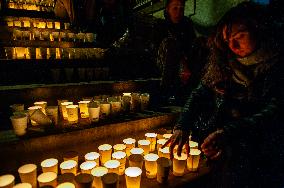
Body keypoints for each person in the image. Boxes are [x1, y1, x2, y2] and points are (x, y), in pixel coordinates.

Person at [162, 2, 284, 187]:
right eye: (227, 40)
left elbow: (274, 113)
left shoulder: (277, 68)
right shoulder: (222, 64)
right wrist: (182, 125)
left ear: (259, 30)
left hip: (261, 158)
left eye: (240, 36)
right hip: (224, 150)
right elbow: (199, 94)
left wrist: (229, 134)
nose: (233, 45)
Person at [156, 0, 204, 106]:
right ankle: (165, 91)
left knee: (201, 42)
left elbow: (192, 43)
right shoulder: (161, 25)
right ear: (168, 10)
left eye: (181, 9)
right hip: (166, 63)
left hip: (185, 62)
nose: (178, 12)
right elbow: (158, 50)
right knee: (171, 43)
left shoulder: (187, 24)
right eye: (175, 8)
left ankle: (195, 91)